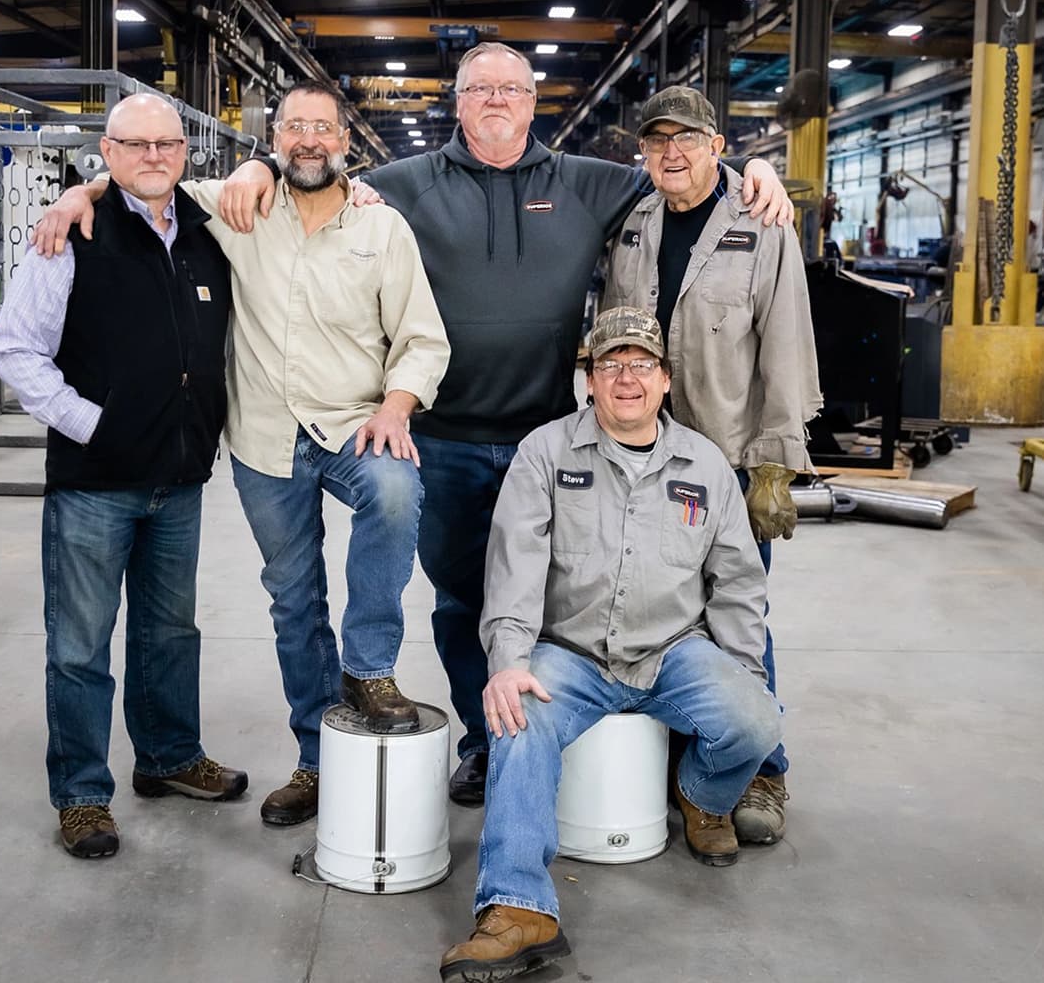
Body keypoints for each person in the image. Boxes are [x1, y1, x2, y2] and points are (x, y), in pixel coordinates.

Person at [213, 43, 795, 806]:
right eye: (479, 88)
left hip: (550, 441)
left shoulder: (587, 183)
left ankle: (562, 739)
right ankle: (486, 742)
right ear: (458, 103)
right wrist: (254, 167)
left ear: (532, 103)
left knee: (553, 604)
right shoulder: (401, 185)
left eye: (510, 89)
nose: (495, 100)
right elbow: (312, 176)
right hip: (444, 438)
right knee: (461, 603)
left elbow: (679, 169)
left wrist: (753, 167)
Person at [33, 81, 450, 828]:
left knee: (394, 493)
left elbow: (422, 336)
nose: (310, 140)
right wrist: (79, 195)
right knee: (295, 604)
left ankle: (369, 668)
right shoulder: (234, 207)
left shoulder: (381, 228)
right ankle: (318, 762)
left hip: (355, 423)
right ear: (276, 139)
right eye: (295, 128)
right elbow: (143, 174)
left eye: (324, 128)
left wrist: (397, 405)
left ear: (345, 142)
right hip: (263, 438)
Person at [438, 307, 782, 982]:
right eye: (610, 364)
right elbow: (513, 569)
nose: (626, 378)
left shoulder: (706, 466)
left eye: (641, 364)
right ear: (588, 380)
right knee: (515, 714)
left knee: (757, 720)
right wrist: (508, 665)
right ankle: (520, 911)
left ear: (665, 380)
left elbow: (738, 582)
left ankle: (701, 795)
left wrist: (742, 675)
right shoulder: (544, 453)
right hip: (570, 653)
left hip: (671, 652)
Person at [0, 93, 248, 860]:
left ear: (186, 151)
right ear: (107, 150)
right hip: (95, 482)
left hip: (181, 478)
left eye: (168, 143)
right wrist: (92, 424)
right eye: (135, 144)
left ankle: (168, 758)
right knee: (79, 644)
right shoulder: (73, 235)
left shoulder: (207, 236)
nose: (154, 156)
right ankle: (80, 795)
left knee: (170, 632)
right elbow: (14, 351)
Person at [602, 85, 822, 845]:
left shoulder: (761, 225)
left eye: (687, 139)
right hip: (640, 456)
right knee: (656, 609)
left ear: (718, 146)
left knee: (737, 616)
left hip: (726, 461)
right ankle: (691, 763)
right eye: (658, 140)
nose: (671, 152)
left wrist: (773, 469)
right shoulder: (632, 223)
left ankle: (764, 768)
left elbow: (788, 352)